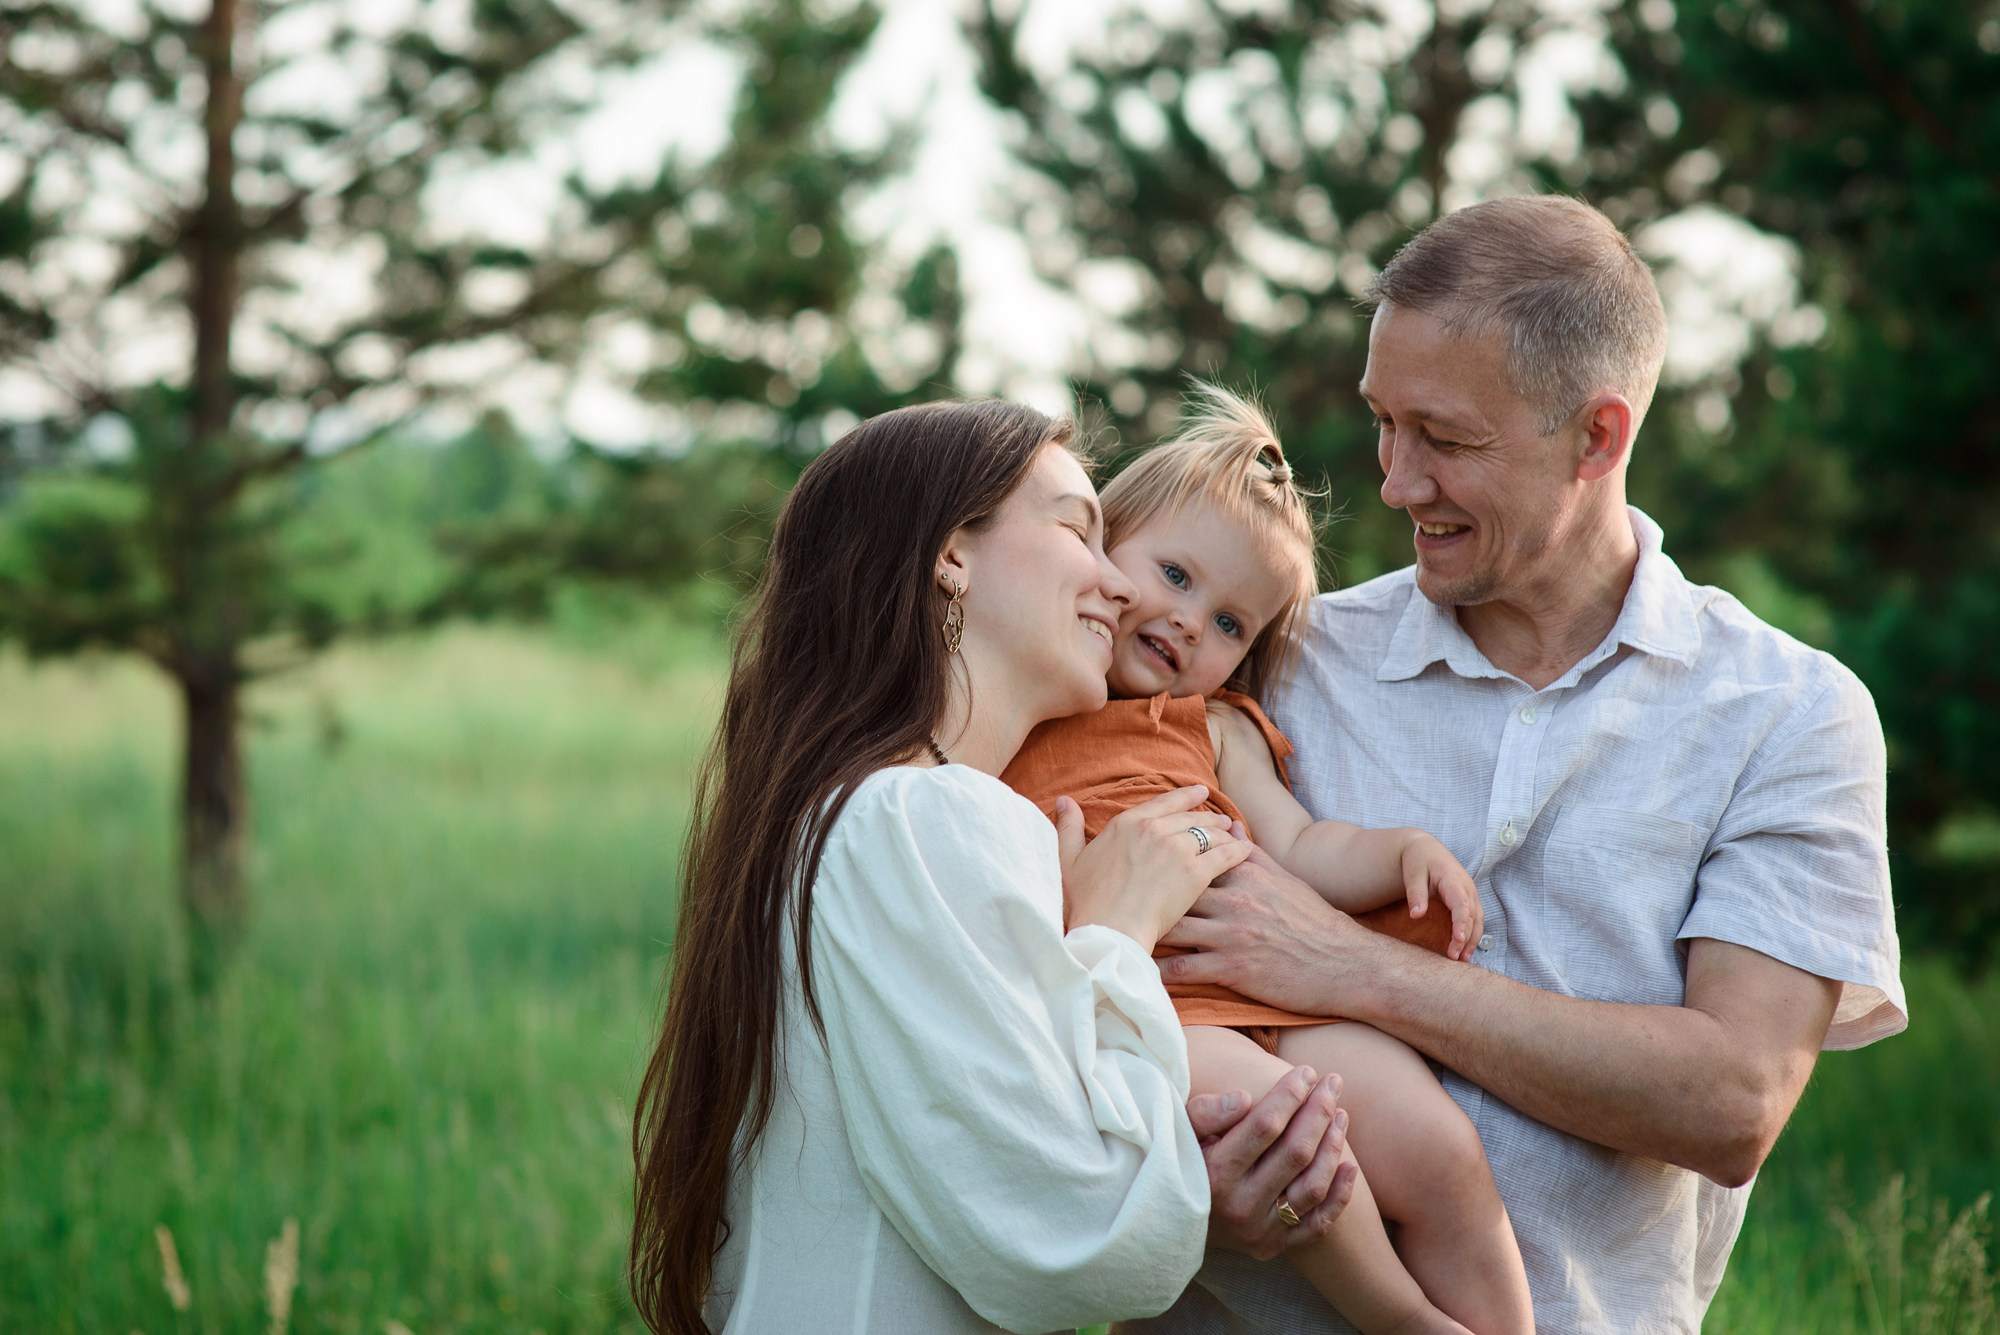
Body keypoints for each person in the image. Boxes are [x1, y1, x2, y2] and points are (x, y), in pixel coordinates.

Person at [1125, 195, 1907, 1333]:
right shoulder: (1269, 654)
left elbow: (1730, 1099)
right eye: (1382, 423)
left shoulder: (1786, 714)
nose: (1393, 481)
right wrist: (1184, 1184)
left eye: (1444, 440)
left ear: (1597, 436)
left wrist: (1359, 971)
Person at [629, 400, 1360, 1335]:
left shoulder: (870, 812)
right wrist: (1114, 933)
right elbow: (1080, 1236)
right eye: (1076, 529)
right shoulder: (916, 816)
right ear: (951, 554)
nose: (1118, 583)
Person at [1002, 385, 1532, 1335]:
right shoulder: (1027, 702)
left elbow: (1297, 845)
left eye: (1231, 624)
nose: (1188, 622)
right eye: (1173, 573)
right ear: (1100, 541)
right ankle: (1403, 1317)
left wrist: (1402, 850)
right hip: (1153, 1014)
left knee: (1439, 1146)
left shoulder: (1215, 725)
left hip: (1280, 999)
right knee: (1284, 1131)